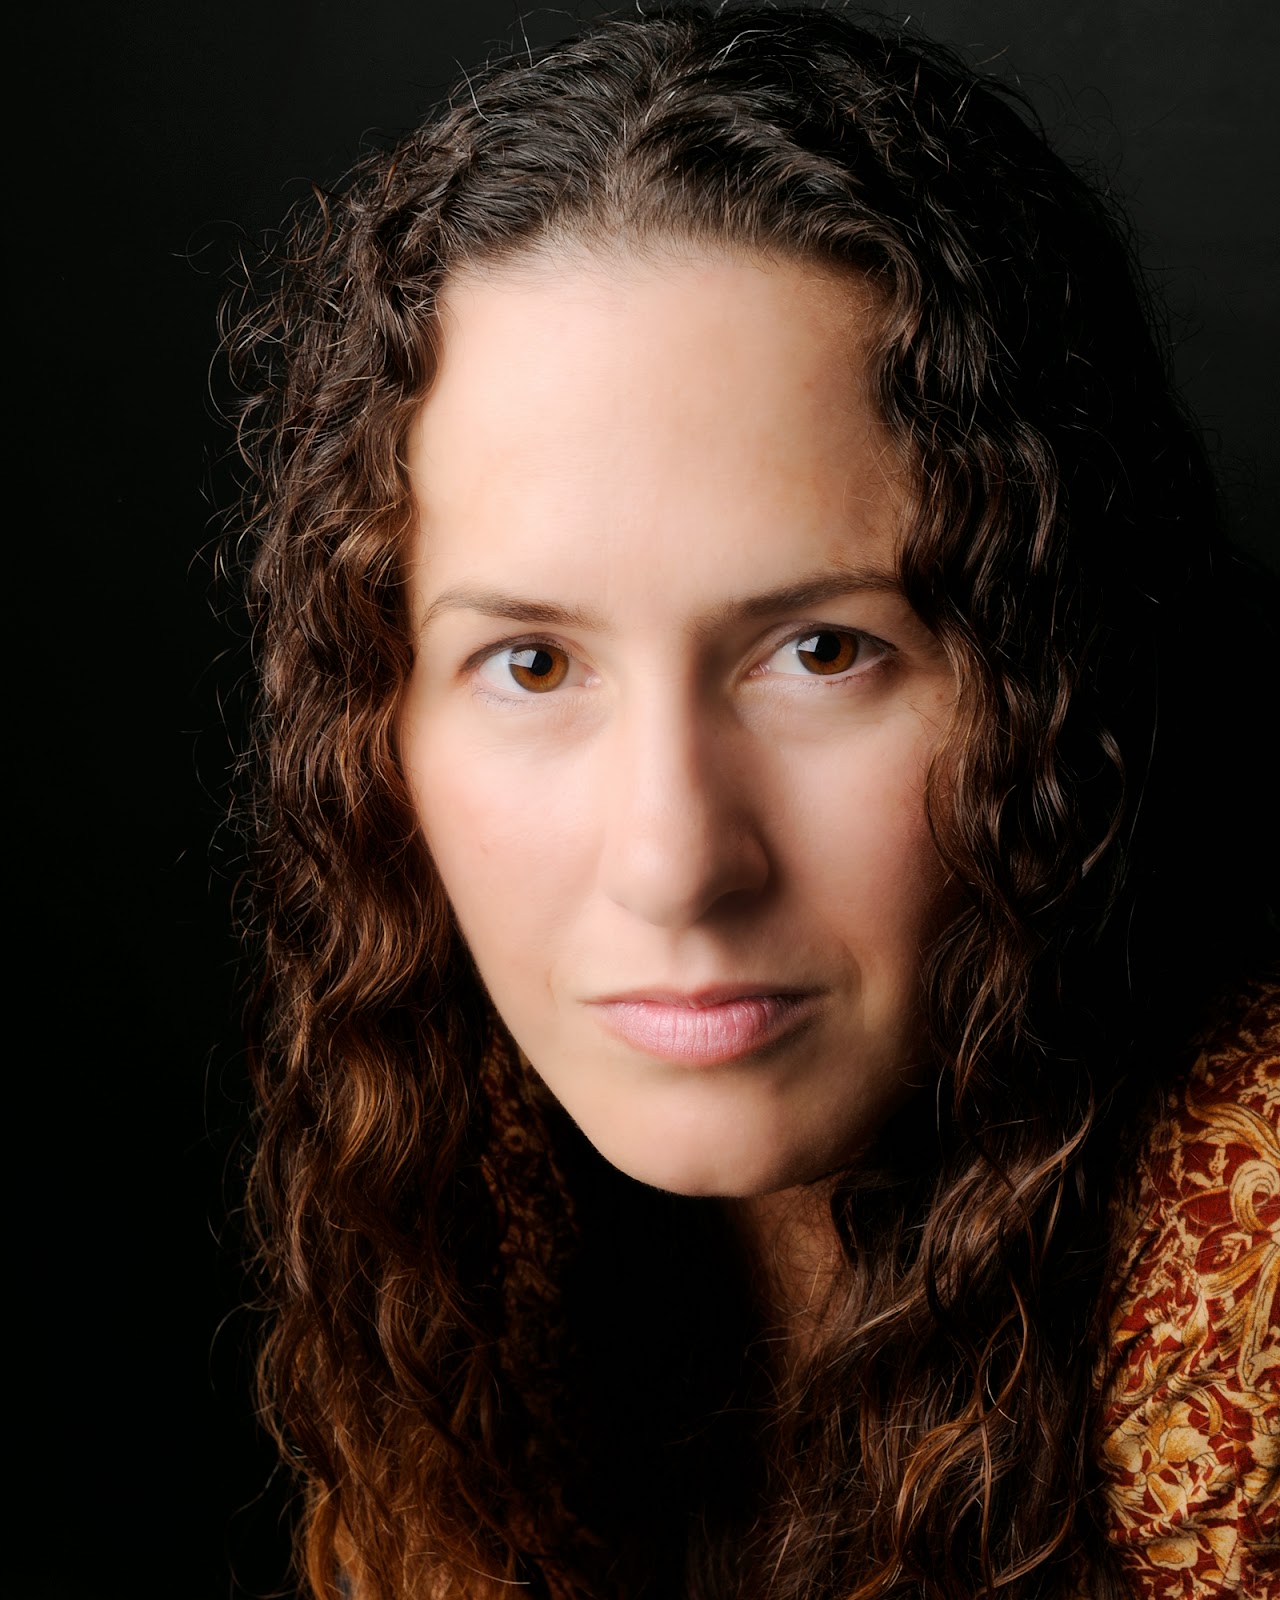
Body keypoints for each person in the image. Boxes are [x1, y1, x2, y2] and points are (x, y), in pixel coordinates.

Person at [227, 5, 1278, 1596]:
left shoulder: (1247, 1302)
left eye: (821, 651)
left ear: (1060, 671)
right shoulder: (466, 1190)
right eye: (531, 665)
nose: (672, 862)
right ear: (377, 725)